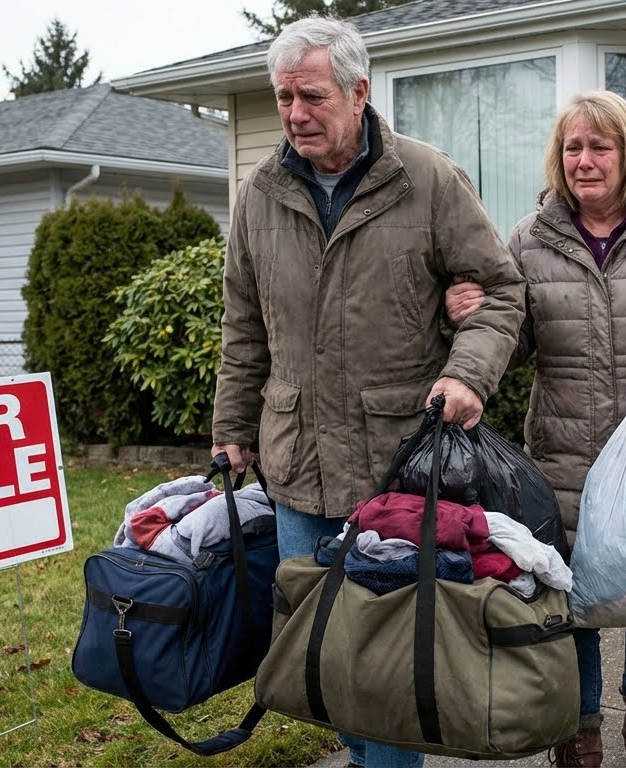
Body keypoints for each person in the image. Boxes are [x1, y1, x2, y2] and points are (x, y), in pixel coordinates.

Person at [210, 16, 526, 768]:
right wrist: (231, 427)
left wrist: (466, 373)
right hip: (297, 469)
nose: (294, 113)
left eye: (311, 96)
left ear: (358, 92)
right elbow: (243, 327)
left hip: (398, 467)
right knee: (328, 658)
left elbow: (499, 292)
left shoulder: (427, 179)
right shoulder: (258, 195)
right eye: (283, 96)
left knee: (387, 670)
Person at [445, 90, 626, 768]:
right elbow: (515, 343)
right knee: (570, 599)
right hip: (564, 459)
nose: (584, 160)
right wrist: (470, 317)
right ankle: (578, 739)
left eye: (599, 147)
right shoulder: (529, 239)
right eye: (572, 148)